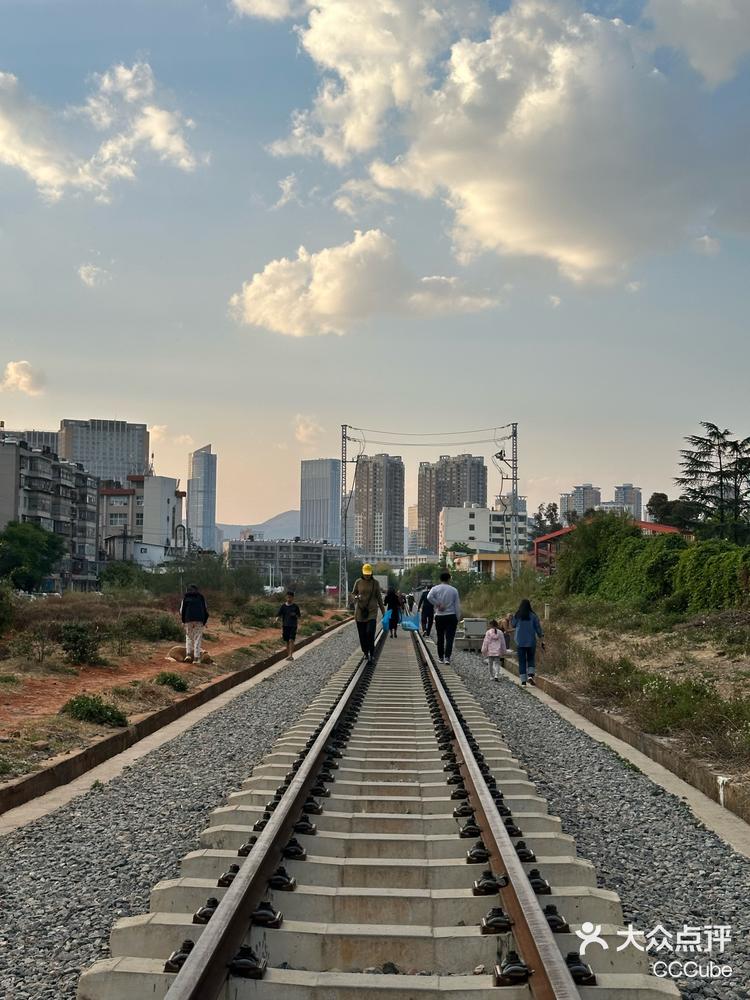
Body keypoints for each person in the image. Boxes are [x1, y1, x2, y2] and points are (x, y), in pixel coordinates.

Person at [350, 563, 385, 663]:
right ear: (362, 573)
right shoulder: (358, 582)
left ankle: (372, 653)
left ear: (371, 573)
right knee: (362, 635)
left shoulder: (375, 583)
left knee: (370, 632)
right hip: (360, 612)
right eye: (365, 574)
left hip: (372, 612)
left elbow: (379, 598)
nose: (367, 576)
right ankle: (365, 652)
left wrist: (383, 611)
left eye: (368, 574)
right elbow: (353, 593)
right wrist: (356, 597)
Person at [427, 571, 461, 665]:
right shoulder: (454, 590)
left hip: (440, 616)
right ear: (449, 579)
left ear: (440, 579)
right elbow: (457, 605)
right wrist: (457, 617)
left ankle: (440, 657)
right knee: (449, 638)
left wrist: (438, 604)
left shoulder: (435, 588)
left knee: (440, 637)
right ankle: (447, 658)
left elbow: (429, 597)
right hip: (451, 616)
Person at [511, 598, 544, 686]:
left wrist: (513, 618)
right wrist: (541, 636)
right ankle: (530, 675)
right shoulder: (533, 616)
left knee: (522, 661)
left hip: (520, 641)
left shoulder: (518, 615)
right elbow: (538, 628)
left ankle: (523, 682)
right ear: (529, 605)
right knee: (531, 658)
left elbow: (513, 625)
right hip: (531, 641)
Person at [180, 583, 209, 664]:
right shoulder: (201, 597)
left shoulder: (185, 597)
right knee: (197, 638)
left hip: (188, 620)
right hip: (199, 620)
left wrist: (183, 621)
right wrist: (205, 621)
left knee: (189, 636)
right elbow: (205, 609)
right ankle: (196, 658)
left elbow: (182, 610)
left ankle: (188, 654)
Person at [277, 590, 301, 661]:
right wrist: (276, 619)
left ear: (293, 598)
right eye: (287, 597)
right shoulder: (283, 606)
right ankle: (288, 655)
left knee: (291, 640)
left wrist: (295, 615)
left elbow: (299, 616)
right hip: (285, 625)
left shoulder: (295, 606)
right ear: (286, 597)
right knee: (287, 641)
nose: (289, 599)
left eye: (290, 597)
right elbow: (279, 614)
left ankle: (291, 655)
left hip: (293, 625)